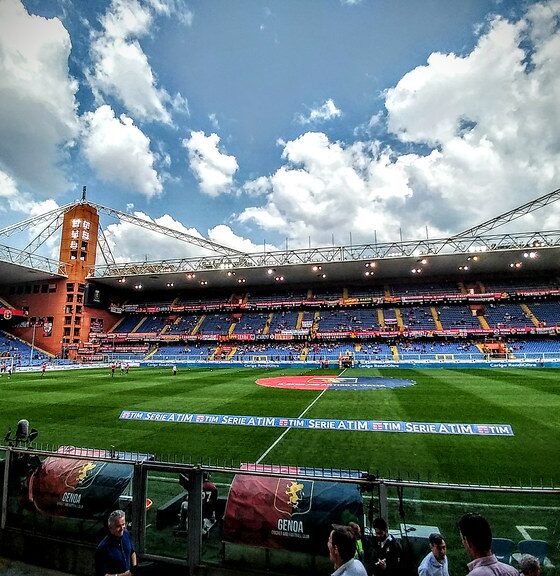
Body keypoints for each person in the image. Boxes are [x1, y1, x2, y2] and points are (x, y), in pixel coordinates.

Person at [95, 509, 137, 576]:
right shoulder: (103, 548)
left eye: (123, 524)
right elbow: (102, 574)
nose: (122, 528)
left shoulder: (126, 533)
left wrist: (134, 569)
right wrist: (122, 575)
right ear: (110, 527)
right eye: (118, 526)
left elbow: (132, 552)